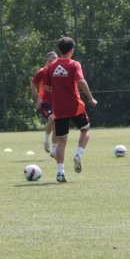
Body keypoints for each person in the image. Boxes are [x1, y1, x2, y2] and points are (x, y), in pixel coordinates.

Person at [44, 37, 97, 183]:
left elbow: (47, 88)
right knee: (85, 129)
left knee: (61, 140)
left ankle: (60, 173)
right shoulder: (74, 64)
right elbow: (81, 81)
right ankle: (78, 155)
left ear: (60, 50)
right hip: (75, 105)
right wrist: (91, 98)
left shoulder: (51, 66)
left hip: (59, 107)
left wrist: (59, 89)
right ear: (72, 49)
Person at [31, 51, 58, 157]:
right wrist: (37, 97)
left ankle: (54, 150)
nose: (55, 59)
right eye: (52, 58)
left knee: (57, 125)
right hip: (45, 101)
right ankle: (46, 140)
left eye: (56, 58)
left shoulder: (59, 72)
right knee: (52, 119)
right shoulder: (43, 71)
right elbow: (33, 83)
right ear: (48, 60)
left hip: (57, 102)